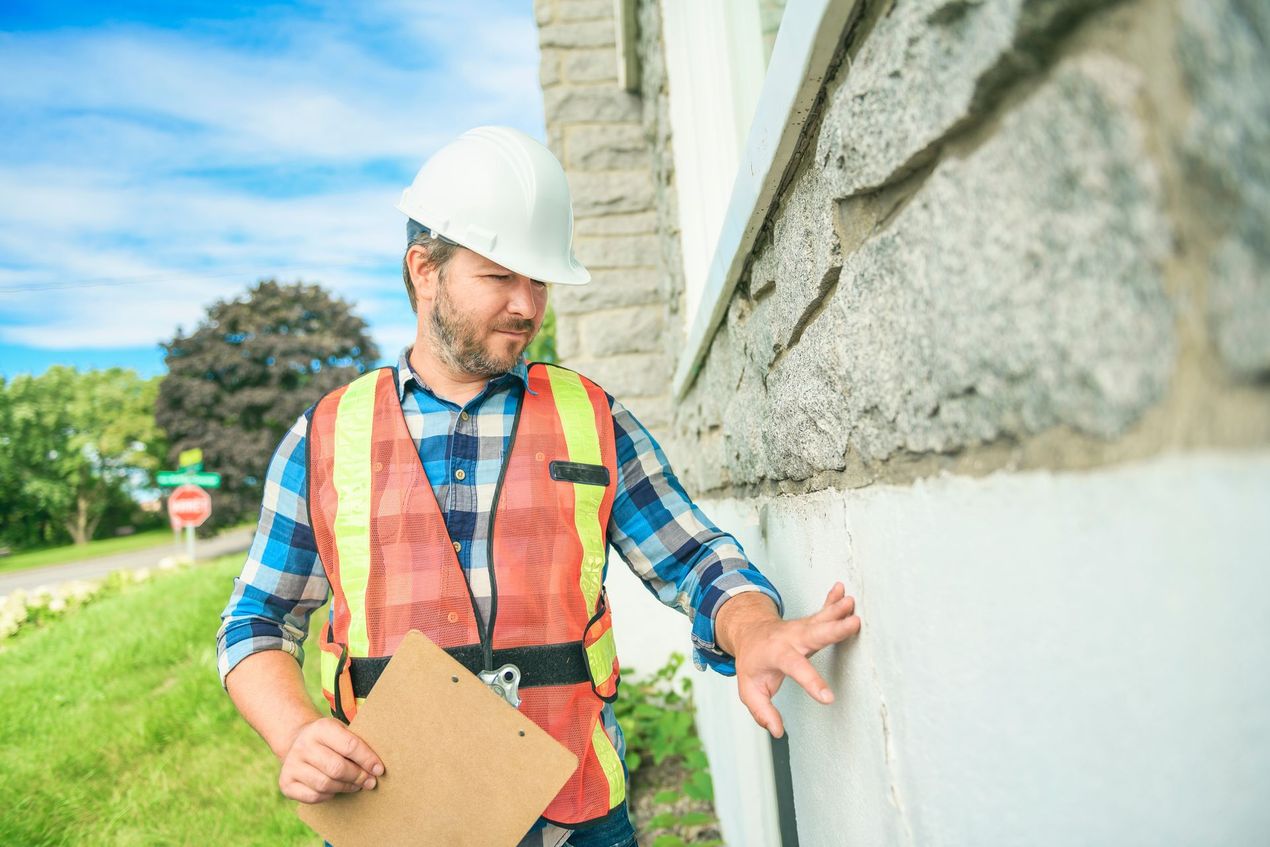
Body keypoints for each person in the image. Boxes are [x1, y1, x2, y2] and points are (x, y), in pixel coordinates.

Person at [217, 126, 862, 847]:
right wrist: (296, 730)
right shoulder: (327, 436)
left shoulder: (591, 417)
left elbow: (695, 558)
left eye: (539, 280)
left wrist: (754, 628)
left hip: (575, 817)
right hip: (394, 816)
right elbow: (256, 620)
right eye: (500, 276)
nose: (528, 305)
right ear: (424, 269)